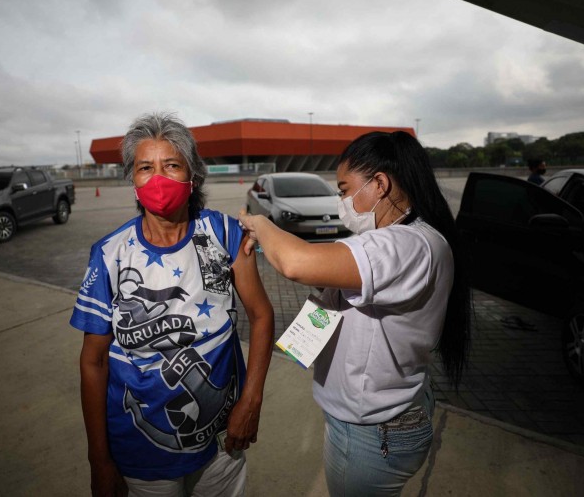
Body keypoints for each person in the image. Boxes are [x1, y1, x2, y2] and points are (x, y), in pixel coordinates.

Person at [238, 130, 472, 496]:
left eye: (345, 190)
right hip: (390, 413)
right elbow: (337, 285)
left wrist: (261, 223)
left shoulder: (403, 244)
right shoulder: (407, 237)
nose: (341, 202)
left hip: (371, 430)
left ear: (379, 184)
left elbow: (296, 263)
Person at [70, 112, 274, 497]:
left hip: (221, 442)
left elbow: (262, 315)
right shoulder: (109, 255)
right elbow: (92, 362)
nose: (158, 178)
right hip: (141, 456)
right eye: (146, 167)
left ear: (192, 176)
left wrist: (251, 400)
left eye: (172, 165)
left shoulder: (223, 234)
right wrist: (98, 461)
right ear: (132, 180)